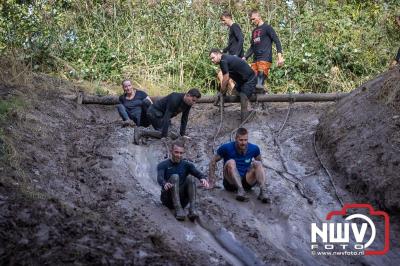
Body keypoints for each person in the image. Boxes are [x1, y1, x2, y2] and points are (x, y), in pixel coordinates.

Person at [208, 127, 269, 203]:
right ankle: (240, 190)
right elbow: (212, 161)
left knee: (258, 163)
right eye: (241, 140)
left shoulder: (254, 148)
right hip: (231, 183)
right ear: (236, 138)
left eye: (245, 140)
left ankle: (263, 192)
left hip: (246, 181)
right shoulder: (226, 147)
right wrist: (211, 181)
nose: (243, 143)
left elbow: (260, 165)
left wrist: (259, 180)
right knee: (231, 162)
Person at [157, 141, 209, 221]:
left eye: (181, 153)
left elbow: (197, 172)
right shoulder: (163, 164)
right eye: (176, 152)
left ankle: (192, 209)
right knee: (175, 176)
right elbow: (160, 177)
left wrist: (202, 178)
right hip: (168, 198)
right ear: (171, 151)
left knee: (191, 178)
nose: (179, 155)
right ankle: (178, 209)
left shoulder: (186, 165)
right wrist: (164, 183)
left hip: (182, 200)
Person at [134, 88, 201, 144]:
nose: (194, 103)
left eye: (195, 101)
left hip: (161, 116)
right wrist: (164, 135)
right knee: (165, 134)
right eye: (193, 100)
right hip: (153, 113)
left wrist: (182, 135)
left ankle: (146, 136)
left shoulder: (188, 103)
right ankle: (141, 131)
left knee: (173, 135)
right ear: (188, 95)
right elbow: (167, 116)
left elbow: (184, 118)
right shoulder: (175, 98)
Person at [243, 10, 284, 93]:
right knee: (252, 83)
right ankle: (264, 95)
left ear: (259, 17)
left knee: (259, 83)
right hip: (255, 60)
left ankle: (262, 100)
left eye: (253, 19)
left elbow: (277, 41)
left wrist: (280, 57)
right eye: (251, 20)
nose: (252, 21)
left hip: (265, 58)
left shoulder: (267, 28)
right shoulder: (254, 31)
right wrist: (245, 57)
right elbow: (252, 47)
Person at [210, 48, 256, 122]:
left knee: (243, 97)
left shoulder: (223, 61)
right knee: (234, 92)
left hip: (249, 80)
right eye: (211, 59)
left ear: (218, 54)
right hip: (242, 81)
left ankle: (245, 119)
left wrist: (222, 91)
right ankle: (253, 92)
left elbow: (226, 78)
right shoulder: (224, 59)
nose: (212, 60)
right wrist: (222, 91)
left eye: (213, 58)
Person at [216, 11, 245, 96]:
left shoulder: (235, 26)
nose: (223, 22)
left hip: (235, 57)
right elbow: (231, 45)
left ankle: (226, 94)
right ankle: (233, 93)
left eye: (224, 20)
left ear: (228, 18)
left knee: (222, 74)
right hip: (232, 56)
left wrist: (236, 54)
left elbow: (241, 39)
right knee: (230, 76)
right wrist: (222, 51)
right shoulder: (232, 28)